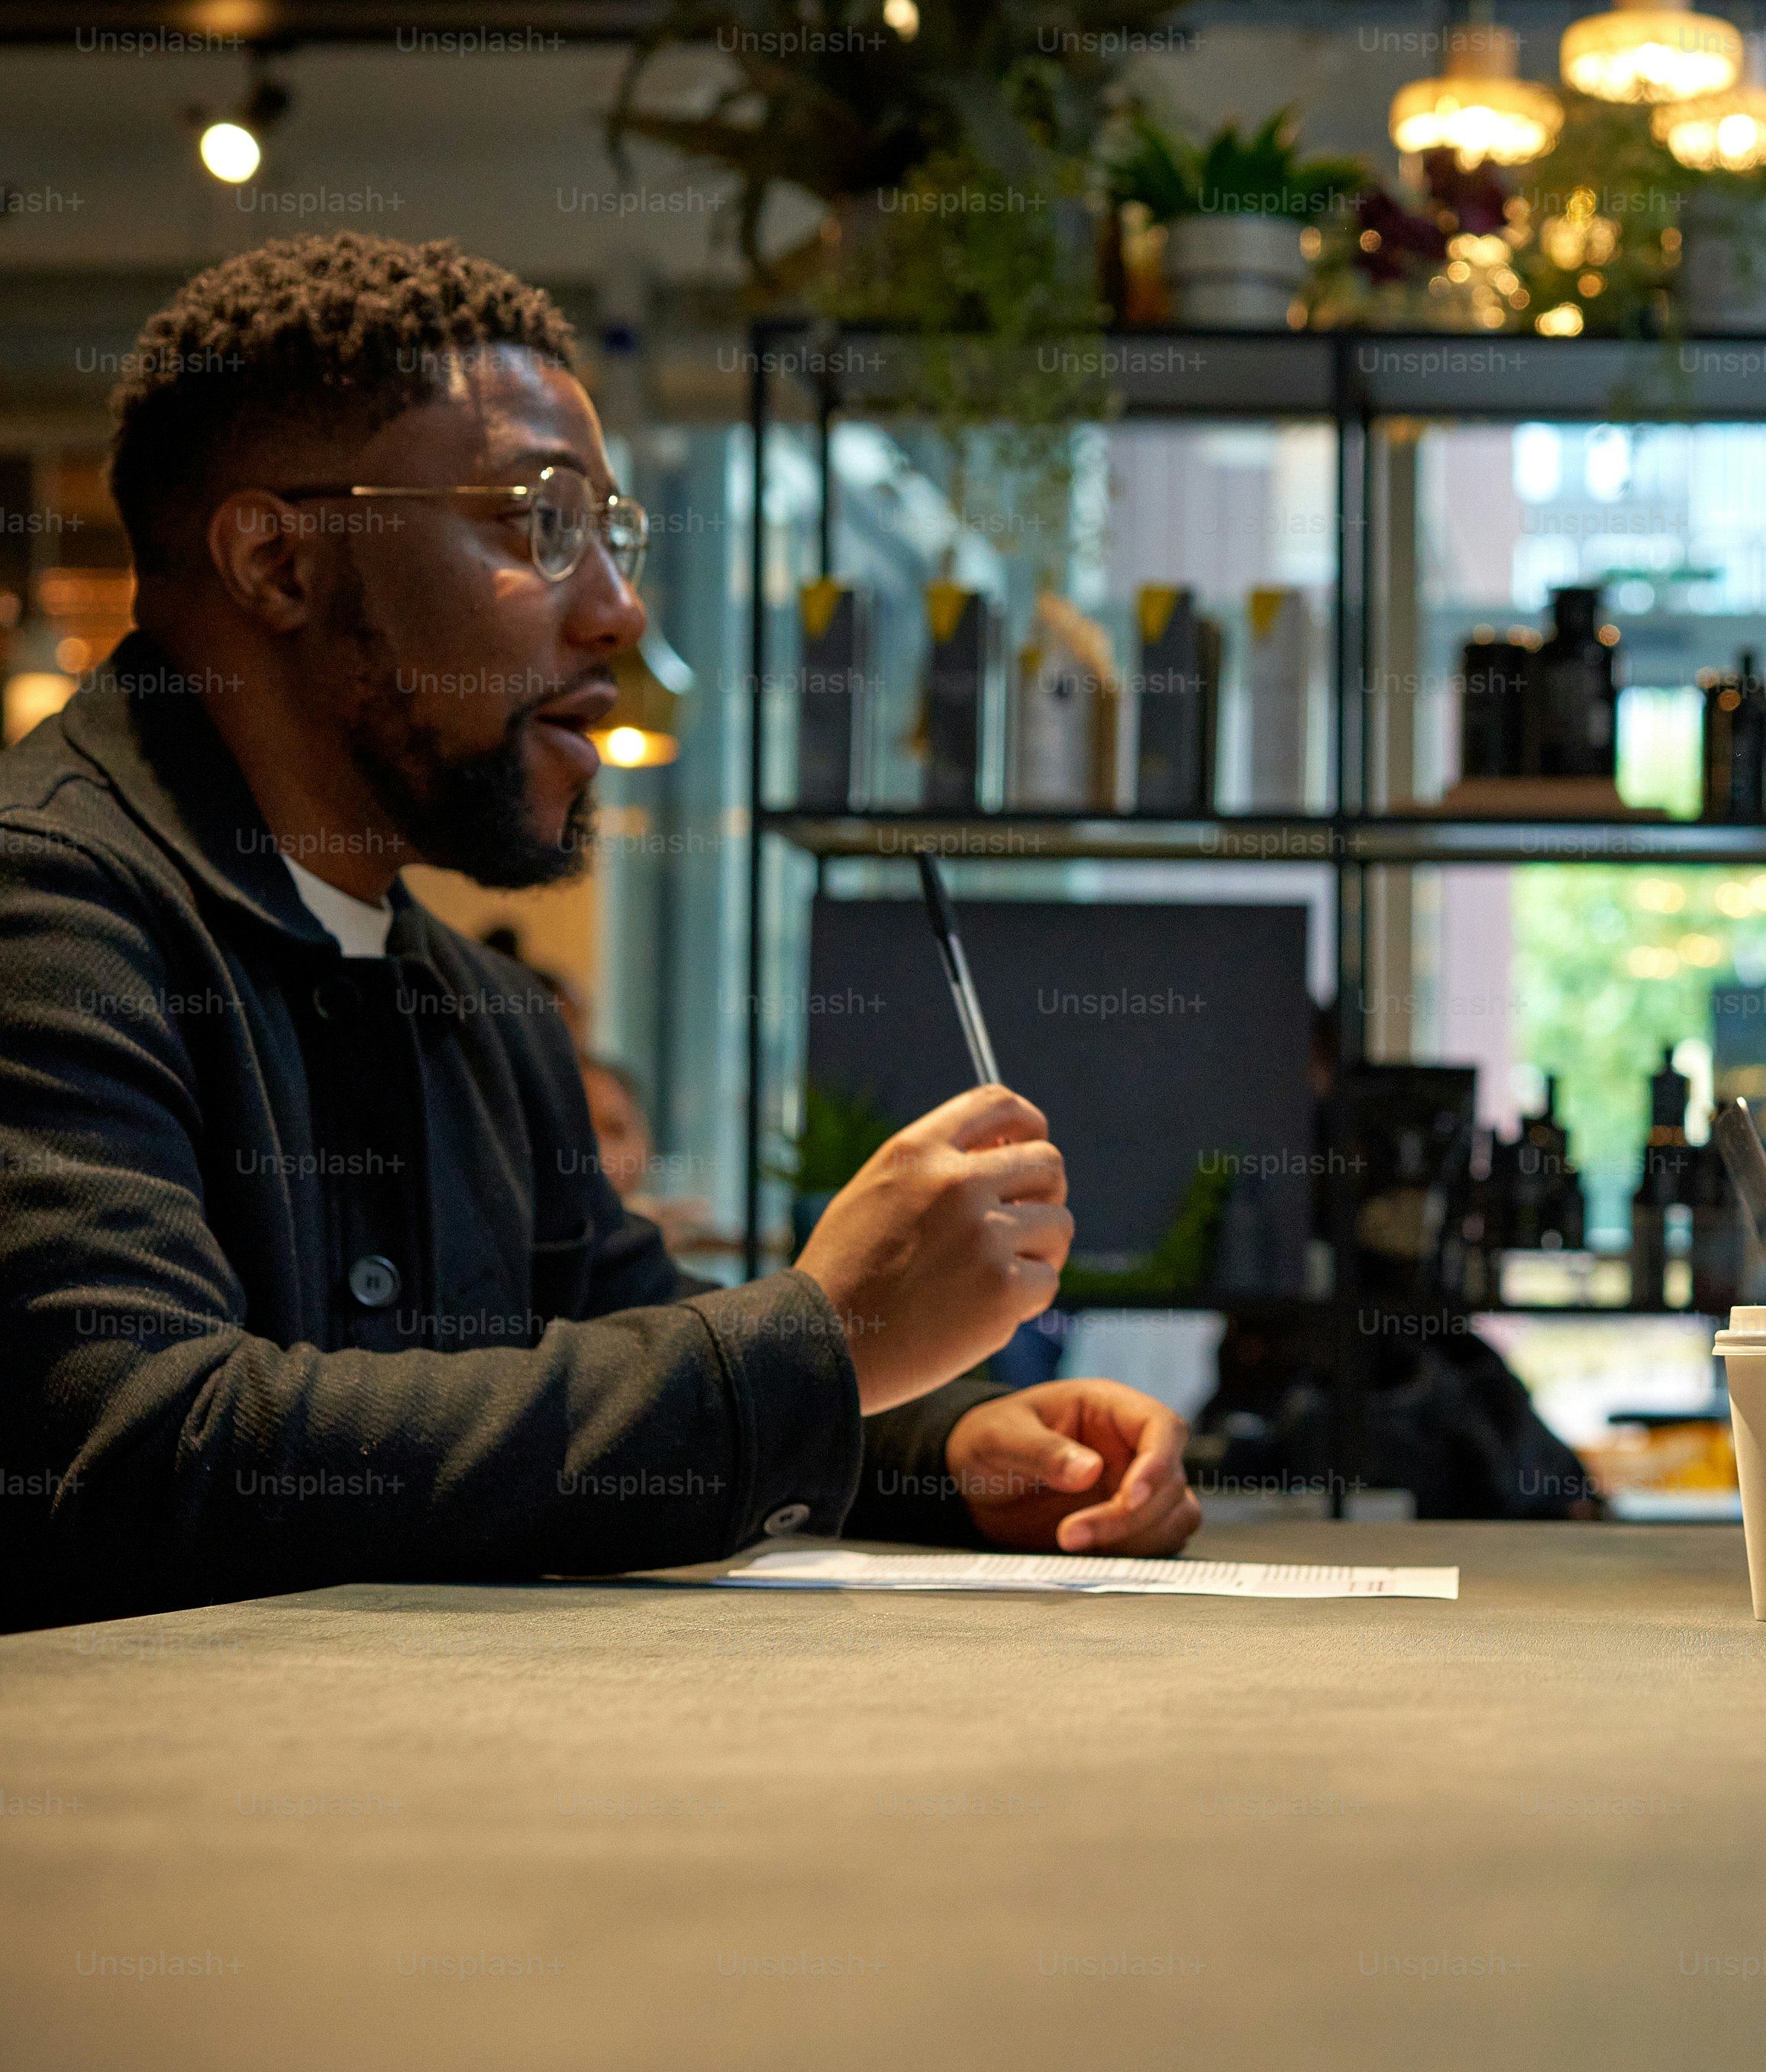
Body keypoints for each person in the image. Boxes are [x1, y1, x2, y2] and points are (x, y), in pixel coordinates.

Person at [0, 234, 1196, 1633]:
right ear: (277, 560)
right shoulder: (50, 909)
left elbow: (620, 1336)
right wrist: (821, 1342)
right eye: (539, 522)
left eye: (612, 538)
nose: (619, 610)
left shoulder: (480, 1010)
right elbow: (139, 1455)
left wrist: (947, 1448)